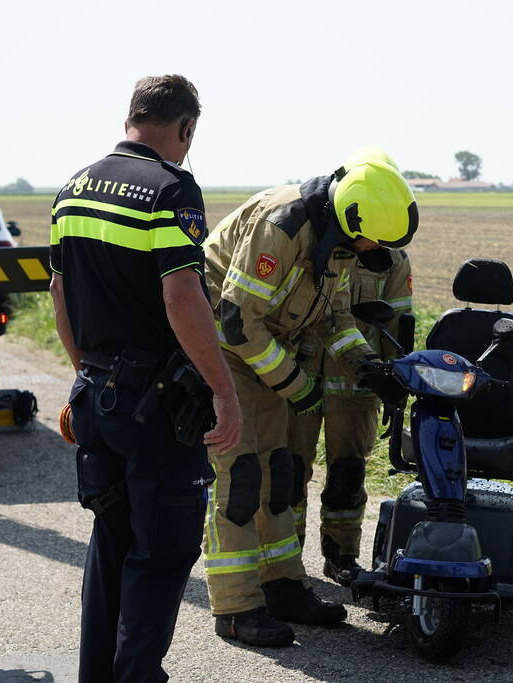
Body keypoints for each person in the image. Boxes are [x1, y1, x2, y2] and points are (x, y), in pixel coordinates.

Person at [49, 75, 242, 682]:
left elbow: (59, 290)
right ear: (184, 128)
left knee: (112, 541)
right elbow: (182, 294)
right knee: (161, 554)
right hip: (155, 410)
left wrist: (84, 378)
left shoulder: (72, 188)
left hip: (97, 394)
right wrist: (224, 392)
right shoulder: (171, 188)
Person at [202, 154, 418, 647]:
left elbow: (333, 319)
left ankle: (283, 588)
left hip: (264, 350)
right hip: (223, 349)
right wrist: (297, 386)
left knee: (278, 471)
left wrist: (368, 368)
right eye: (374, 239)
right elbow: (237, 322)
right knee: (240, 477)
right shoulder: (282, 226)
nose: (374, 250)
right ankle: (236, 607)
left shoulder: (338, 239)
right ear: (356, 217)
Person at [286, 147, 413, 586]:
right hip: (299, 377)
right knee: (288, 472)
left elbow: (399, 324)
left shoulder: (393, 258)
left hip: (357, 385)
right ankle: (286, 564)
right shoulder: (317, 242)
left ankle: (341, 558)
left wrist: (395, 381)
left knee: (348, 476)